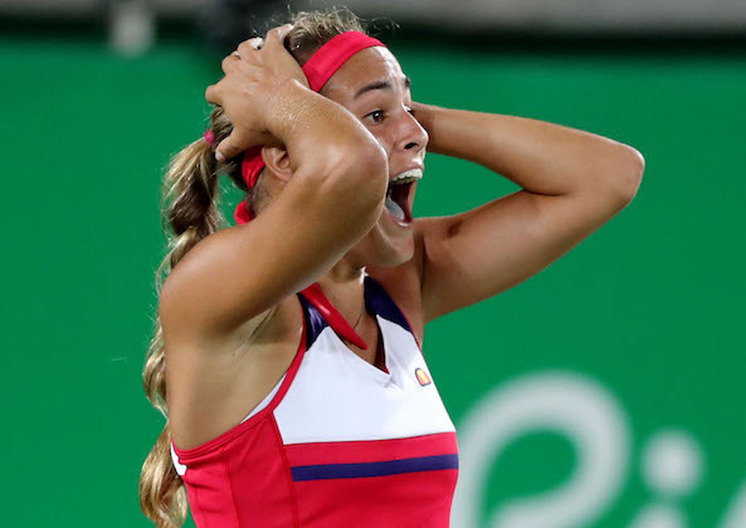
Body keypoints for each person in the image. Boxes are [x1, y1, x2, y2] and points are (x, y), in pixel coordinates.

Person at [139, 9, 644, 528]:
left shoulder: (396, 288)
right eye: (376, 118)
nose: (416, 136)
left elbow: (607, 176)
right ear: (285, 160)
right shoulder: (217, 289)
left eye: (410, 112)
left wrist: (406, 117)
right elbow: (354, 171)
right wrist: (286, 103)